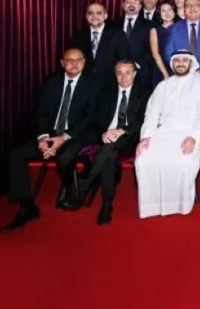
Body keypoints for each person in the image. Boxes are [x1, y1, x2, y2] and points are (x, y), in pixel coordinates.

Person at [0, 48, 101, 233]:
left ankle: (67, 187)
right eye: (69, 59)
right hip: (50, 134)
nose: (74, 63)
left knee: (65, 157)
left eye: (79, 59)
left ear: (84, 63)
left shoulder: (93, 84)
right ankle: (27, 206)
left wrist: (62, 138)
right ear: (62, 63)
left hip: (77, 134)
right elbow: (41, 113)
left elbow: (91, 118)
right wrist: (43, 138)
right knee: (17, 155)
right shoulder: (51, 82)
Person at [65, 59, 151, 225]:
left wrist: (121, 131)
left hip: (129, 137)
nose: (123, 77)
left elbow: (143, 119)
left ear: (134, 74)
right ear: (115, 75)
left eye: (127, 73)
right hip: (107, 138)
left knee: (109, 149)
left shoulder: (144, 93)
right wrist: (103, 133)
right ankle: (106, 204)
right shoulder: (106, 92)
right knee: (110, 155)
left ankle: (85, 187)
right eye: (119, 73)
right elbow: (95, 118)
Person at [134, 50, 200, 218]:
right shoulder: (163, 86)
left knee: (183, 160)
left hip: (190, 132)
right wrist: (146, 137)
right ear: (172, 64)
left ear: (191, 63)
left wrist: (193, 137)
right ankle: (152, 205)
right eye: (177, 60)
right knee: (143, 158)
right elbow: (152, 113)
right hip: (164, 131)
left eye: (185, 60)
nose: (181, 63)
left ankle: (179, 204)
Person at [68, 3, 129, 88]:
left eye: (98, 13)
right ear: (86, 16)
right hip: (85, 83)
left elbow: (124, 60)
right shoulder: (78, 36)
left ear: (105, 16)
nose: (94, 16)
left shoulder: (118, 35)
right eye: (90, 13)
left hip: (110, 84)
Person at [114, 0, 155, 88]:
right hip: (117, 73)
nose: (131, 4)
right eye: (128, 2)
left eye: (135, 2)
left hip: (142, 71)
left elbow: (152, 49)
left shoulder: (151, 25)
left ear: (140, 6)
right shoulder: (112, 25)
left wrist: (135, 64)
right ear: (123, 6)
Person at [150, 1, 180, 87]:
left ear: (174, 12)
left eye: (169, 10)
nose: (167, 13)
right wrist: (166, 74)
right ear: (159, 14)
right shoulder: (155, 30)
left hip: (180, 67)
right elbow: (155, 54)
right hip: (161, 69)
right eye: (163, 10)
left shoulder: (181, 28)